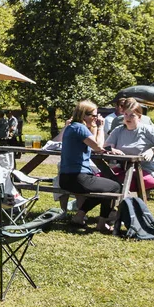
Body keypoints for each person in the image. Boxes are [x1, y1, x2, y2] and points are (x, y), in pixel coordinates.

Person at [59, 100, 120, 233]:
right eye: (93, 115)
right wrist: (100, 127)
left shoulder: (71, 127)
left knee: (104, 188)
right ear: (83, 115)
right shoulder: (80, 128)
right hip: (77, 177)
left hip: (65, 178)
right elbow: (98, 147)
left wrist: (108, 148)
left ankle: (79, 217)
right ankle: (102, 224)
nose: (96, 118)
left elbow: (92, 146)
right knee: (114, 187)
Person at [104, 98, 154, 191]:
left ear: (139, 117)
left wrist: (153, 150)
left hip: (148, 172)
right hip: (124, 170)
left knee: (114, 185)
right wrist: (112, 150)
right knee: (98, 178)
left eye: (132, 115)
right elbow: (106, 147)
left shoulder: (148, 130)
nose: (128, 118)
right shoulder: (118, 130)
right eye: (126, 114)